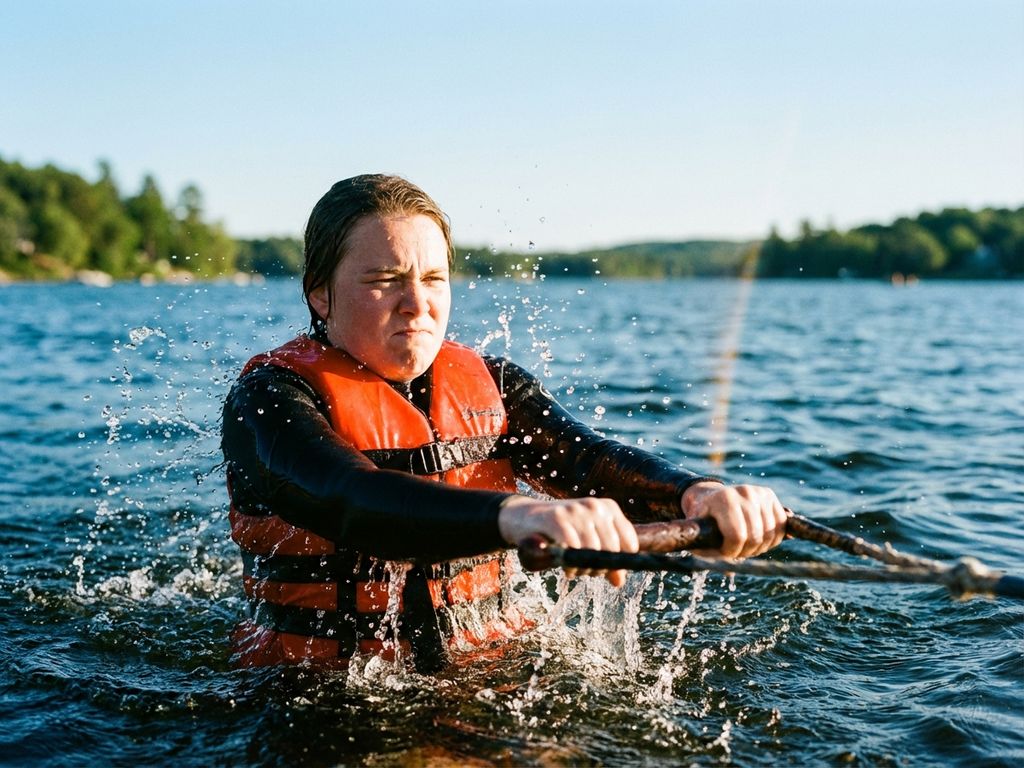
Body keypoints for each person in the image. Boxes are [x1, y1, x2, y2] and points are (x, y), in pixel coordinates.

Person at [221, 174, 788, 672]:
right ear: (320, 294)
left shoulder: (494, 384)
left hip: (488, 668)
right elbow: (346, 497)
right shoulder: (267, 399)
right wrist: (520, 514)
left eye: (434, 278)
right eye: (385, 279)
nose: (417, 303)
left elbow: (585, 461)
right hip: (314, 690)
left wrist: (695, 493)